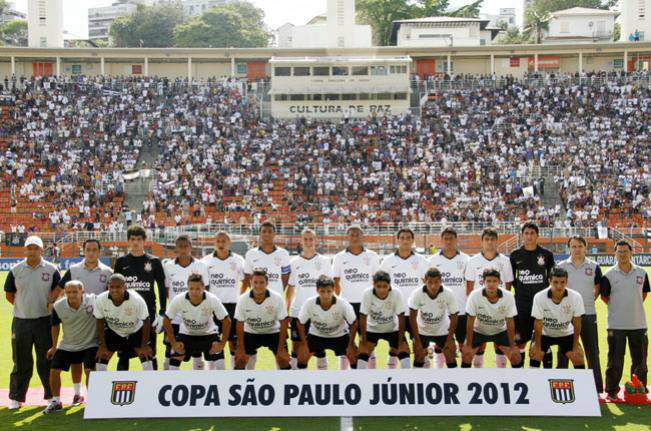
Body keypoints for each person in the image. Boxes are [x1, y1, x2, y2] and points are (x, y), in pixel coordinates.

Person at [4, 235, 61, 410]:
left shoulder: (52, 269)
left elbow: (57, 291)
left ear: (42, 250)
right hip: (21, 322)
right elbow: (9, 295)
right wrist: (24, 308)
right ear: (25, 250)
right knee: (21, 361)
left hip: (44, 321)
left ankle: (51, 396)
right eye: (30, 248)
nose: (32, 251)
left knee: (46, 360)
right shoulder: (16, 270)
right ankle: (16, 397)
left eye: (36, 248)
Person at [55, 238, 112, 402]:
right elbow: (59, 289)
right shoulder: (74, 269)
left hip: (99, 322)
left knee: (96, 360)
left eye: (95, 250)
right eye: (88, 250)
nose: (91, 253)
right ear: (84, 251)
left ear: (99, 252)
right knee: (75, 359)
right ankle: (77, 393)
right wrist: (52, 304)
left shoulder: (108, 271)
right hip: (77, 321)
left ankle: (96, 396)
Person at [600, 240, 649, 401]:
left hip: (638, 324)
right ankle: (612, 390)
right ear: (615, 254)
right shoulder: (608, 275)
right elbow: (604, 297)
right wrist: (619, 308)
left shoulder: (642, 273)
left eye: (625, 251)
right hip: (616, 325)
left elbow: (643, 295)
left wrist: (631, 307)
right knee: (615, 361)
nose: (622, 254)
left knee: (640, 361)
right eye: (619, 252)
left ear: (631, 253)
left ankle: (639, 388)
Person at [113, 225, 166, 370]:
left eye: (139, 239)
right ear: (128, 241)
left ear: (144, 241)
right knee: (123, 354)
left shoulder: (154, 261)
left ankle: (152, 389)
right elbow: (114, 288)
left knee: (149, 353)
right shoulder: (121, 262)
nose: (136, 242)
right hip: (126, 315)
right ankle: (121, 388)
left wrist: (162, 312)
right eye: (132, 239)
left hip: (148, 315)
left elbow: (161, 287)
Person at [557, 236, 604, 393]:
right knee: (564, 351)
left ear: (586, 247)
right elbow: (556, 290)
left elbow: (597, 288)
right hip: (565, 316)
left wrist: (587, 303)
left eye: (579, 246)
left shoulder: (594, 266)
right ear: (569, 248)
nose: (576, 249)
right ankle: (560, 385)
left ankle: (596, 388)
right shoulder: (561, 266)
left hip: (588, 314)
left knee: (592, 351)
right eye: (573, 246)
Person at [43, 281, 98, 413]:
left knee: (89, 370)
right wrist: (54, 347)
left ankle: (93, 401)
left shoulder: (93, 301)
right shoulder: (58, 306)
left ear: (82, 292)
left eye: (75, 292)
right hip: (68, 344)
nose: (71, 295)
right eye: (68, 292)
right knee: (54, 369)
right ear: (64, 293)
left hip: (90, 343)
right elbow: (55, 326)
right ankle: (56, 401)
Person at [464, 228, 514, 368]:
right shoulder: (473, 261)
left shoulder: (505, 261)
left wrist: (501, 307)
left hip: (499, 310)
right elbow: (469, 287)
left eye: (492, 239)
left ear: (497, 241)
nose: (489, 242)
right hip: (480, 310)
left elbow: (508, 286)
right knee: (479, 347)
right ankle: (480, 375)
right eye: (486, 239)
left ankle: (500, 376)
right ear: (482, 242)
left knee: (501, 346)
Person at [379, 228, 428, 368]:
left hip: (416, 313)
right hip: (395, 312)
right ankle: (394, 382)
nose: (405, 240)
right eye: (402, 238)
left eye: (408, 238)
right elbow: (380, 287)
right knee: (395, 348)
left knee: (420, 348)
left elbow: (428, 285)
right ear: (398, 240)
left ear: (413, 240)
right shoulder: (387, 261)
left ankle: (422, 381)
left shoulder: (422, 260)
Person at [333, 226, 380, 369]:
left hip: (366, 305)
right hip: (347, 306)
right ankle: (345, 376)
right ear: (347, 237)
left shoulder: (372, 256)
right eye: (351, 235)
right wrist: (340, 301)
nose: (354, 237)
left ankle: (371, 377)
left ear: (362, 236)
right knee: (346, 343)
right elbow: (336, 282)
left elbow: (377, 282)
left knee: (367, 343)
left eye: (357, 235)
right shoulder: (339, 257)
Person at [509, 221, 555, 368]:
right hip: (521, 304)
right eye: (526, 233)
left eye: (532, 233)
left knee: (542, 339)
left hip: (542, 304)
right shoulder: (515, 255)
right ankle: (521, 375)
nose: (529, 236)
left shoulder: (546, 255)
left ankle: (543, 375)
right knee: (520, 340)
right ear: (522, 236)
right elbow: (512, 280)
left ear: (537, 235)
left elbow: (552, 278)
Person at [163, 274, 231, 370]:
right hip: (186, 334)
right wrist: (174, 343)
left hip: (209, 335)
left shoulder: (212, 299)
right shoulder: (179, 299)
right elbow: (166, 320)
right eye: (191, 288)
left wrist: (222, 344)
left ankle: (221, 384)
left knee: (221, 364)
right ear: (187, 287)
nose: (194, 292)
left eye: (198, 289)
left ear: (203, 288)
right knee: (173, 365)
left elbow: (227, 321)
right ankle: (172, 383)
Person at [286, 228, 333, 369]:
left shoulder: (324, 261)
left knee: (320, 348)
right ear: (301, 241)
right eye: (305, 239)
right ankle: (295, 380)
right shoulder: (294, 262)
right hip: (298, 312)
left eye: (310, 239)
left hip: (319, 311)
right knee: (296, 348)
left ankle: (322, 382)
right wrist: (287, 311)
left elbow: (331, 288)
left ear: (315, 241)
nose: (308, 242)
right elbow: (291, 288)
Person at [162, 235, 210, 370]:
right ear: (176, 248)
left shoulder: (200, 266)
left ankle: (197, 383)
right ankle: (167, 382)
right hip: (175, 318)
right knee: (170, 352)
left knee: (197, 352)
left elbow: (205, 290)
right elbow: (167, 289)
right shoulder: (168, 266)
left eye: (186, 246)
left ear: (190, 247)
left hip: (196, 317)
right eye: (180, 246)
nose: (183, 249)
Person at [202, 231, 245, 369]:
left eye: (224, 241)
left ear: (229, 242)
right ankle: (212, 374)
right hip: (214, 307)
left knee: (234, 342)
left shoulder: (238, 260)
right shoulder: (206, 261)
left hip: (233, 305)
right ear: (214, 243)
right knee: (212, 341)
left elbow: (246, 280)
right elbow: (204, 286)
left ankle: (233, 373)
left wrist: (240, 297)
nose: (221, 244)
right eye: (218, 241)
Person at [462, 268, 522, 368]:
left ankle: (516, 381)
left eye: (494, 281)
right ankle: (466, 381)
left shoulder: (508, 296)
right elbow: (470, 320)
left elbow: (510, 321)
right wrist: (468, 344)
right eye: (488, 281)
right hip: (479, 331)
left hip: (500, 331)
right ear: (483, 282)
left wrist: (512, 345)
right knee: (466, 355)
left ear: (499, 282)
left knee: (515, 356)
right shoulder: (474, 295)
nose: (491, 284)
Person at [94, 274, 154, 371]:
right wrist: (102, 345)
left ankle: (150, 385)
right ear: (108, 287)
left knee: (146, 358)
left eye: (118, 287)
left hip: (135, 331)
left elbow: (146, 321)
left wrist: (144, 345)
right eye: (111, 287)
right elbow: (99, 321)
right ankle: (102, 385)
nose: (114, 290)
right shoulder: (101, 299)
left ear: (125, 287)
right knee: (101, 359)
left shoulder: (136, 300)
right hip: (114, 331)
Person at [530, 267, 586, 371]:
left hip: (566, 334)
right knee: (535, 354)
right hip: (544, 334)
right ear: (549, 281)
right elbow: (538, 323)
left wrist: (575, 346)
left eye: (562, 282)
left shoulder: (576, 297)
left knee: (578, 356)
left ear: (567, 282)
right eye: (555, 282)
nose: (559, 286)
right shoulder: (539, 297)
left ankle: (580, 386)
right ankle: (533, 385)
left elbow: (577, 322)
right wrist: (537, 346)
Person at [234, 269, 291, 370]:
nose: (258, 285)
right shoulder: (243, 299)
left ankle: (286, 384)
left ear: (267, 283)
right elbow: (239, 323)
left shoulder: (277, 298)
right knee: (240, 360)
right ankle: (240, 384)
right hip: (250, 332)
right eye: (255, 282)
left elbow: (284, 322)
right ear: (251, 282)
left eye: (261, 282)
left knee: (283, 360)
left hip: (273, 332)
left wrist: (281, 348)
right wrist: (241, 349)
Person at [296, 275, 357, 370]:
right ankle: (302, 381)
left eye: (329, 291)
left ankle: (356, 379)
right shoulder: (309, 303)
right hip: (316, 335)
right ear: (317, 290)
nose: (325, 295)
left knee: (354, 356)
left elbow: (353, 323)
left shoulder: (343, 303)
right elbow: (300, 322)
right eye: (322, 291)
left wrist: (351, 344)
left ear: (333, 289)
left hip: (339, 335)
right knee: (301, 358)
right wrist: (304, 344)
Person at [429, 227, 469, 367]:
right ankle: (439, 375)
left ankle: (464, 376)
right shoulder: (432, 260)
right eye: (445, 239)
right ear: (441, 240)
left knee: (464, 345)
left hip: (462, 309)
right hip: (441, 311)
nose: (448, 241)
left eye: (451, 238)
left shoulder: (466, 259)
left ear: (456, 240)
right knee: (439, 346)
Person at [357, 271, 409, 369]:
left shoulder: (396, 293)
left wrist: (401, 341)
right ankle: (361, 380)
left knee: (404, 352)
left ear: (389, 285)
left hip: (393, 329)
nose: (382, 290)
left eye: (385, 286)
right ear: (373, 285)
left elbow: (401, 316)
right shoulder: (367, 293)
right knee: (362, 352)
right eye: (378, 286)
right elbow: (363, 316)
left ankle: (408, 379)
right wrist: (363, 341)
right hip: (372, 329)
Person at [409, 268, 459, 368]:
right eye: (430, 282)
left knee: (450, 354)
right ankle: (417, 380)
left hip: (443, 331)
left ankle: (455, 380)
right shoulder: (417, 293)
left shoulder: (448, 293)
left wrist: (449, 339)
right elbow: (412, 317)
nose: (433, 286)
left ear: (441, 281)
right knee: (418, 354)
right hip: (423, 331)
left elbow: (454, 315)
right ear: (424, 281)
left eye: (436, 282)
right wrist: (417, 341)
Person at [243, 221, 291, 296]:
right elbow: (248, 276)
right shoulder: (250, 254)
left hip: (277, 297)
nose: (267, 234)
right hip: (257, 297)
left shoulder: (284, 253)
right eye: (264, 231)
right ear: (260, 234)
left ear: (274, 234)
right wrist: (255, 291)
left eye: (270, 231)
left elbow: (286, 276)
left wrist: (279, 291)